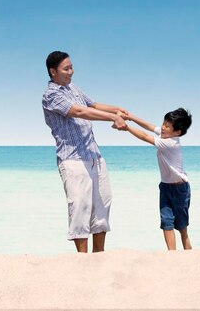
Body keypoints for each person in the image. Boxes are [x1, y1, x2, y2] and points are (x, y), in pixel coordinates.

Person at [42, 51, 128, 253]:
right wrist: (111, 118)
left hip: (94, 157)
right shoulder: (51, 95)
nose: (71, 72)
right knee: (80, 208)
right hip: (72, 160)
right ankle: (82, 261)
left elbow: (94, 105)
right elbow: (79, 111)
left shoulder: (73, 88)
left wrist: (118, 110)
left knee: (102, 207)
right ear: (53, 72)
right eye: (66, 69)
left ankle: (99, 257)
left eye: (71, 67)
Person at [117, 108, 193, 250]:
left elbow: (146, 136)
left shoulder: (170, 143)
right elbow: (149, 126)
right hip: (165, 187)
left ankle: (189, 254)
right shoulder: (165, 135)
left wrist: (126, 127)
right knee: (166, 222)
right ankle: (172, 255)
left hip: (180, 189)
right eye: (163, 123)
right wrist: (131, 116)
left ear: (177, 132)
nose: (163, 128)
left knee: (182, 227)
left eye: (167, 126)